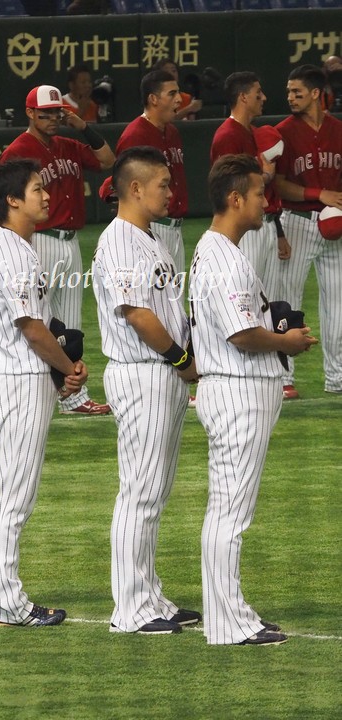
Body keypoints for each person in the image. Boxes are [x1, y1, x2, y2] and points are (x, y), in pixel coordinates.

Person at [189, 154, 317, 646]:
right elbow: (243, 334)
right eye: (260, 193)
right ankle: (226, 624)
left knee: (228, 510)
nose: (268, 201)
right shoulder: (222, 257)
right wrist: (288, 342)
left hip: (236, 387)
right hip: (238, 389)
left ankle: (230, 611)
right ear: (236, 198)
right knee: (230, 514)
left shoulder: (221, 249)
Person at [92, 146, 201, 635]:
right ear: (135, 188)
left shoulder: (146, 238)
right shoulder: (119, 242)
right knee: (139, 492)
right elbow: (137, 314)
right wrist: (181, 359)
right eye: (163, 184)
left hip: (158, 374)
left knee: (152, 492)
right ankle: (130, 610)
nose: (170, 191)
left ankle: (149, 596)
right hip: (143, 373)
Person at [0, 159, 88, 627]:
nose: (46, 195)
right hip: (22, 382)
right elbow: (31, 328)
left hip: (21, 379)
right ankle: (6, 600)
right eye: (36, 188)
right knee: (15, 496)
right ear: (12, 200)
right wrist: (68, 369)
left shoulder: (16, 248)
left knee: (13, 492)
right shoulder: (13, 253)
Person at [0, 84, 114, 415]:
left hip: (70, 243)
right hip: (40, 241)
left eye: (56, 113)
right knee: (41, 319)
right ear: (30, 113)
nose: (52, 118)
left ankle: (73, 395)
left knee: (71, 322)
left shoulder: (68, 144)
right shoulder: (18, 151)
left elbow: (108, 160)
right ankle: (45, 388)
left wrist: (83, 127)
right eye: (45, 113)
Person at [115, 69, 195, 406]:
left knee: (173, 302)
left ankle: (180, 370)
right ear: (153, 98)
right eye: (172, 93)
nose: (179, 99)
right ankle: (173, 363)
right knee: (152, 304)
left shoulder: (171, 131)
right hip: (150, 226)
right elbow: (119, 188)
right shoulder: (136, 134)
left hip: (172, 228)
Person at [275, 65, 342, 397]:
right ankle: (285, 377)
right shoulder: (282, 132)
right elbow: (279, 184)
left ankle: (337, 379)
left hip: (336, 227)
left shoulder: (338, 130)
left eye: (297, 92)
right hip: (298, 223)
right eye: (288, 92)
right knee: (289, 303)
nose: (290, 97)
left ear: (316, 93)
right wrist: (319, 195)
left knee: (338, 306)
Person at [210, 72, 291, 309]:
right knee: (246, 299)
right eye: (258, 93)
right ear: (243, 97)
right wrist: (265, 175)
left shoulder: (253, 132)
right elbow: (230, 189)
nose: (263, 97)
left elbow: (266, 190)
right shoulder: (227, 135)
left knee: (269, 301)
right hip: (245, 229)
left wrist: (277, 231)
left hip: (264, 223)